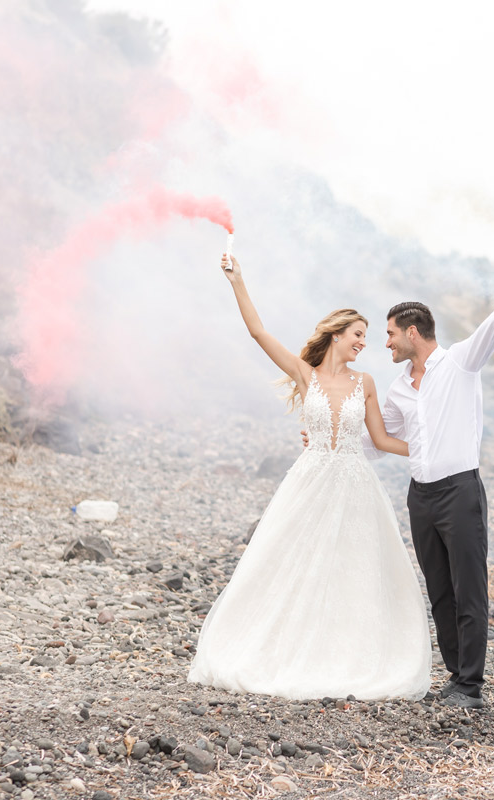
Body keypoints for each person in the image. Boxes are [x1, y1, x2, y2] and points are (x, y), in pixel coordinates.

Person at [187, 253, 431, 701]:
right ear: (337, 334)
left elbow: (379, 438)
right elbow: (259, 332)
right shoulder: (306, 374)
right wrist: (238, 280)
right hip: (311, 480)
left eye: (369, 337)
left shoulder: (368, 382)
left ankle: (349, 655)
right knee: (290, 563)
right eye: (359, 335)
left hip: (356, 485)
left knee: (352, 571)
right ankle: (281, 648)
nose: (364, 343)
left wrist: (433, 449)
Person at [366, 253, 494, 709]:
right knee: (439, 590)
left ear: (413, 332)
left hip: (460, 492)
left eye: (390, 333)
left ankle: (471, 685)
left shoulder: (459, 363)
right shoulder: (396, 389)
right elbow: (377, 441)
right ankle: (454, 676)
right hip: (421, 498)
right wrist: (329, 441)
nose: (386, 343)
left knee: (469, 587)